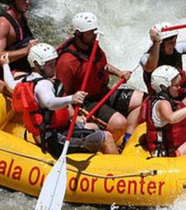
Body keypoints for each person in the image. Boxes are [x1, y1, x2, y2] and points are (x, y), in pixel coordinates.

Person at [1, 43, 118, 158]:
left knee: (94, 127)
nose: (54, 67)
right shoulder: (43, 85)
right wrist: (72, 98)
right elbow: (50, 103)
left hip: (48, 133)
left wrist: (5, 65)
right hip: (56, 140)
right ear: (37, 64)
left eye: (54, 62)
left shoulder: (27, 80)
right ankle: (117, 172)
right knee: (107, 137)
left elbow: (10, 84)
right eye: (49, 64)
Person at [55, 12, 143, 148]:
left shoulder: (91, 46)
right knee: (120, 123)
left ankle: (126, 140)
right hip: (86, 102)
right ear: (79, 34)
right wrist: (74, 117)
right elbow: (61, 95)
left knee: (142, 99)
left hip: (103, 93)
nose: (95, 34)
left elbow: (101, 66)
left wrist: (119, 73)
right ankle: (104, 145)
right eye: (91, 32)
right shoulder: (67, 62)